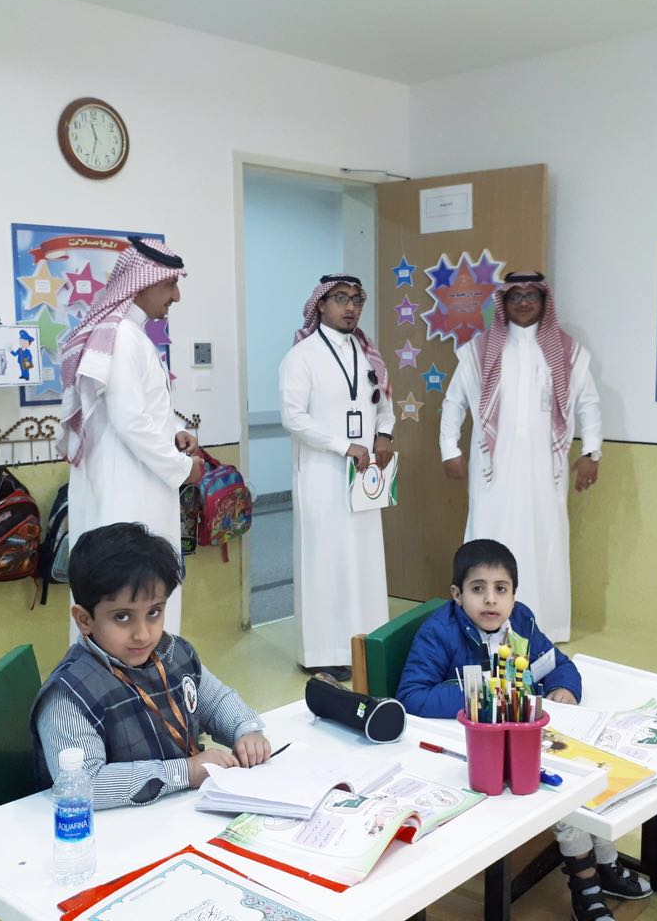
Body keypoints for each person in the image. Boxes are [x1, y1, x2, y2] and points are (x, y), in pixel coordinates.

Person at [396, 539, 651, 921]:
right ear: (456, 594)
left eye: (501, 589)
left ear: (514, 595)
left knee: (584, 770)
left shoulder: (523, 624)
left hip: (524, 736)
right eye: (477, 589)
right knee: (559, 787)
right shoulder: (441, 632)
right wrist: (487, 698)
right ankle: (585, 884)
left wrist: (565, 689)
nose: (490, 601)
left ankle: (605, 862)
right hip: (468, 750)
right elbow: (413, 696)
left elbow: (558, 665)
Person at [31, 522, 271, 807]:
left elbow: (216, 701)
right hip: (114, 834)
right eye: (122, 617)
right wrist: (187, 771)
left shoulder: (173, 653)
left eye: (154, 612)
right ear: (84, 620)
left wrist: (246, 731)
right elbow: (84, 785)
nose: (142, 634)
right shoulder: (68, 694)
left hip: (176, 811)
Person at [439, 271, 602, 642]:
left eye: (532, 295)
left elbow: (589, 405)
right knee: (488, 536)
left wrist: (592, 451)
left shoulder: (568, 352)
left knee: (546, 539)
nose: (524, 302)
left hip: (546, 472)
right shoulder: (479, 351)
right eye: (516, 296)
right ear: (504, 303)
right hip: (491, 471)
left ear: (544, 302)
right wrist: (451, 449)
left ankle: (543, 626)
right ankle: (481, 621)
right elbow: (453, 403)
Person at [59, 237, 204, 638]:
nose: (176, 296)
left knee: (145, 594)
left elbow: (143, 411)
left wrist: (178, 432)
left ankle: (150, 680)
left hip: (137, 480)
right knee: (124, 593)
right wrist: (183, 468)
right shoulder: (122, 337)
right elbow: (130, 422)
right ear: (142, 284)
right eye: (169, 284)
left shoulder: (133, 336)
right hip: (126, 489)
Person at [279, 274, 396, 680]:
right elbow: (292, 416)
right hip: (321, 474)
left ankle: (361, 644)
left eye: (357, 300)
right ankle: (321, 653)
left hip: (362, 478)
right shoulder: (302, 356)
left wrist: (383, 434)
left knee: (363, 559)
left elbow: (384, 403)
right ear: (321, 305)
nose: (351, 308)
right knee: (324, 560)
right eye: (341, 299)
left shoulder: (368, 354)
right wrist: (341, 445)